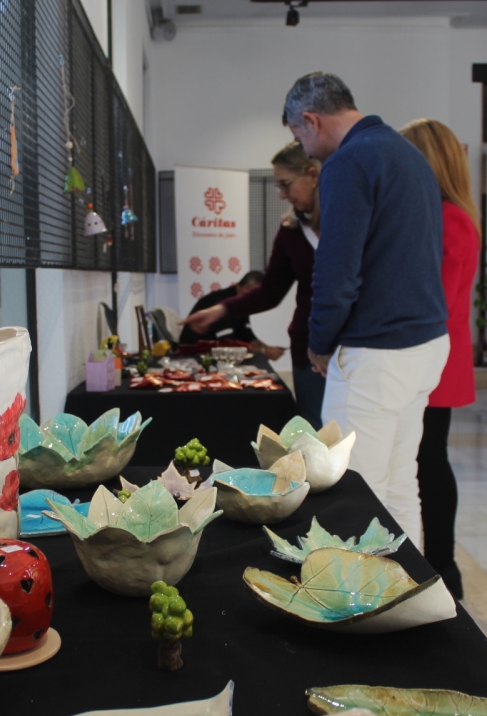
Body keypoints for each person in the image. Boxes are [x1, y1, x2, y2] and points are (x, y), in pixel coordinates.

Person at [285, 72, 449, 546]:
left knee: (351, 491)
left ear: (311, 121)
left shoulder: (349, 161)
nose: (306, 150)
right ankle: (406, 597)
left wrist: (319, 342)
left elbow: (336, 271)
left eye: (299, 136)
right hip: (425, 342)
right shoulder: (409, 154)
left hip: (377, 351)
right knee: (399, 484)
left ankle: (359, 607)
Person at [181, 141, 323, 426]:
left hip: (354, 349)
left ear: (313, 174)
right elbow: (270, 291)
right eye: (277, 188)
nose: (283, 195)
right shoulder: (290, 233)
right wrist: (220, 310)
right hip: (309, 349)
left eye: (286, 185)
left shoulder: (349, 222)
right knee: (313, 429)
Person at [400, 118, 480, 599]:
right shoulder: (448, 216)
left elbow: (437, 301)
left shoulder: (449, 220)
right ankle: (442, 566)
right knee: (428, 462)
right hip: (435, 357)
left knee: (429, 463)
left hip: (434, 360)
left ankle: (444, 567)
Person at [178, 272, 283, 357]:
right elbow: (227, 344)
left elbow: (246, 334)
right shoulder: (222, 302)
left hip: (214, 353)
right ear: (247, 288)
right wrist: (264, 351)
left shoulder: (241, 303)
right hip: (194, 355)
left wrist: (267, 348)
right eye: (258, 297)